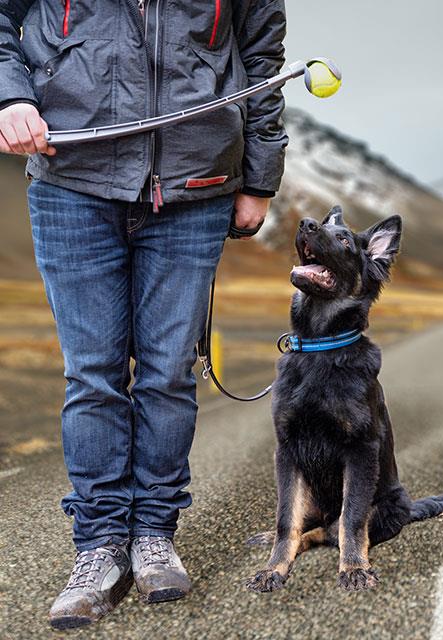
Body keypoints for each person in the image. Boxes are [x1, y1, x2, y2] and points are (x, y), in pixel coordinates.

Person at [0, 0, 287, 629]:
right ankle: (99, 549)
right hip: (71, 178)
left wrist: (258, 179)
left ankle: (154, 535)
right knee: (93, 374)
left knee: (167, 374)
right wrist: (10, 96)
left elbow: (263, 59)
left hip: (196, 187)